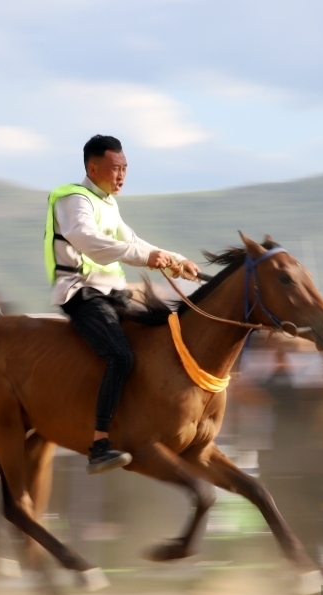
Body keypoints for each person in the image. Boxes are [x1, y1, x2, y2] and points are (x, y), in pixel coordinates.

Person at [45, 135, 199, 474]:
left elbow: (132, 241)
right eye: (116, 168)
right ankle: (100, 444)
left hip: (112, 293)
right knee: (120, 356)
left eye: (125, 168)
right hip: (81, 293)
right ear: (92, 168)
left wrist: (176, 259)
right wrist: (147, 258)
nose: (122, 175)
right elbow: (89, 241)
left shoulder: (108, 204)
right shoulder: (73, 200)